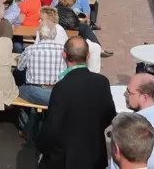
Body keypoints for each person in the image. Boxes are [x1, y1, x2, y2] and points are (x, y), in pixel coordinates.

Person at [36, 37, 116, 169]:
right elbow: (109, 114)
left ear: (64, 55)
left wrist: (42, 146)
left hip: (66, 157)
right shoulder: (102, 82)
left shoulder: (62, 87)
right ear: (88, 55)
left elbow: (52, 126)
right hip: (94, 154)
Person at [109, 74, 154, 169]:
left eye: (129, 92)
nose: (125, 94)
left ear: (144, 97)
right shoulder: (151, 117)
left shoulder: (150, 130)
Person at [17, 21, 66, 131]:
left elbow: (19, 68)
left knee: (18, 89)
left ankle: (26, 128)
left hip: (35, 91)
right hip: (56, 91)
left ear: (40, 34)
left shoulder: (30, 50)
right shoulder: (64, 50)